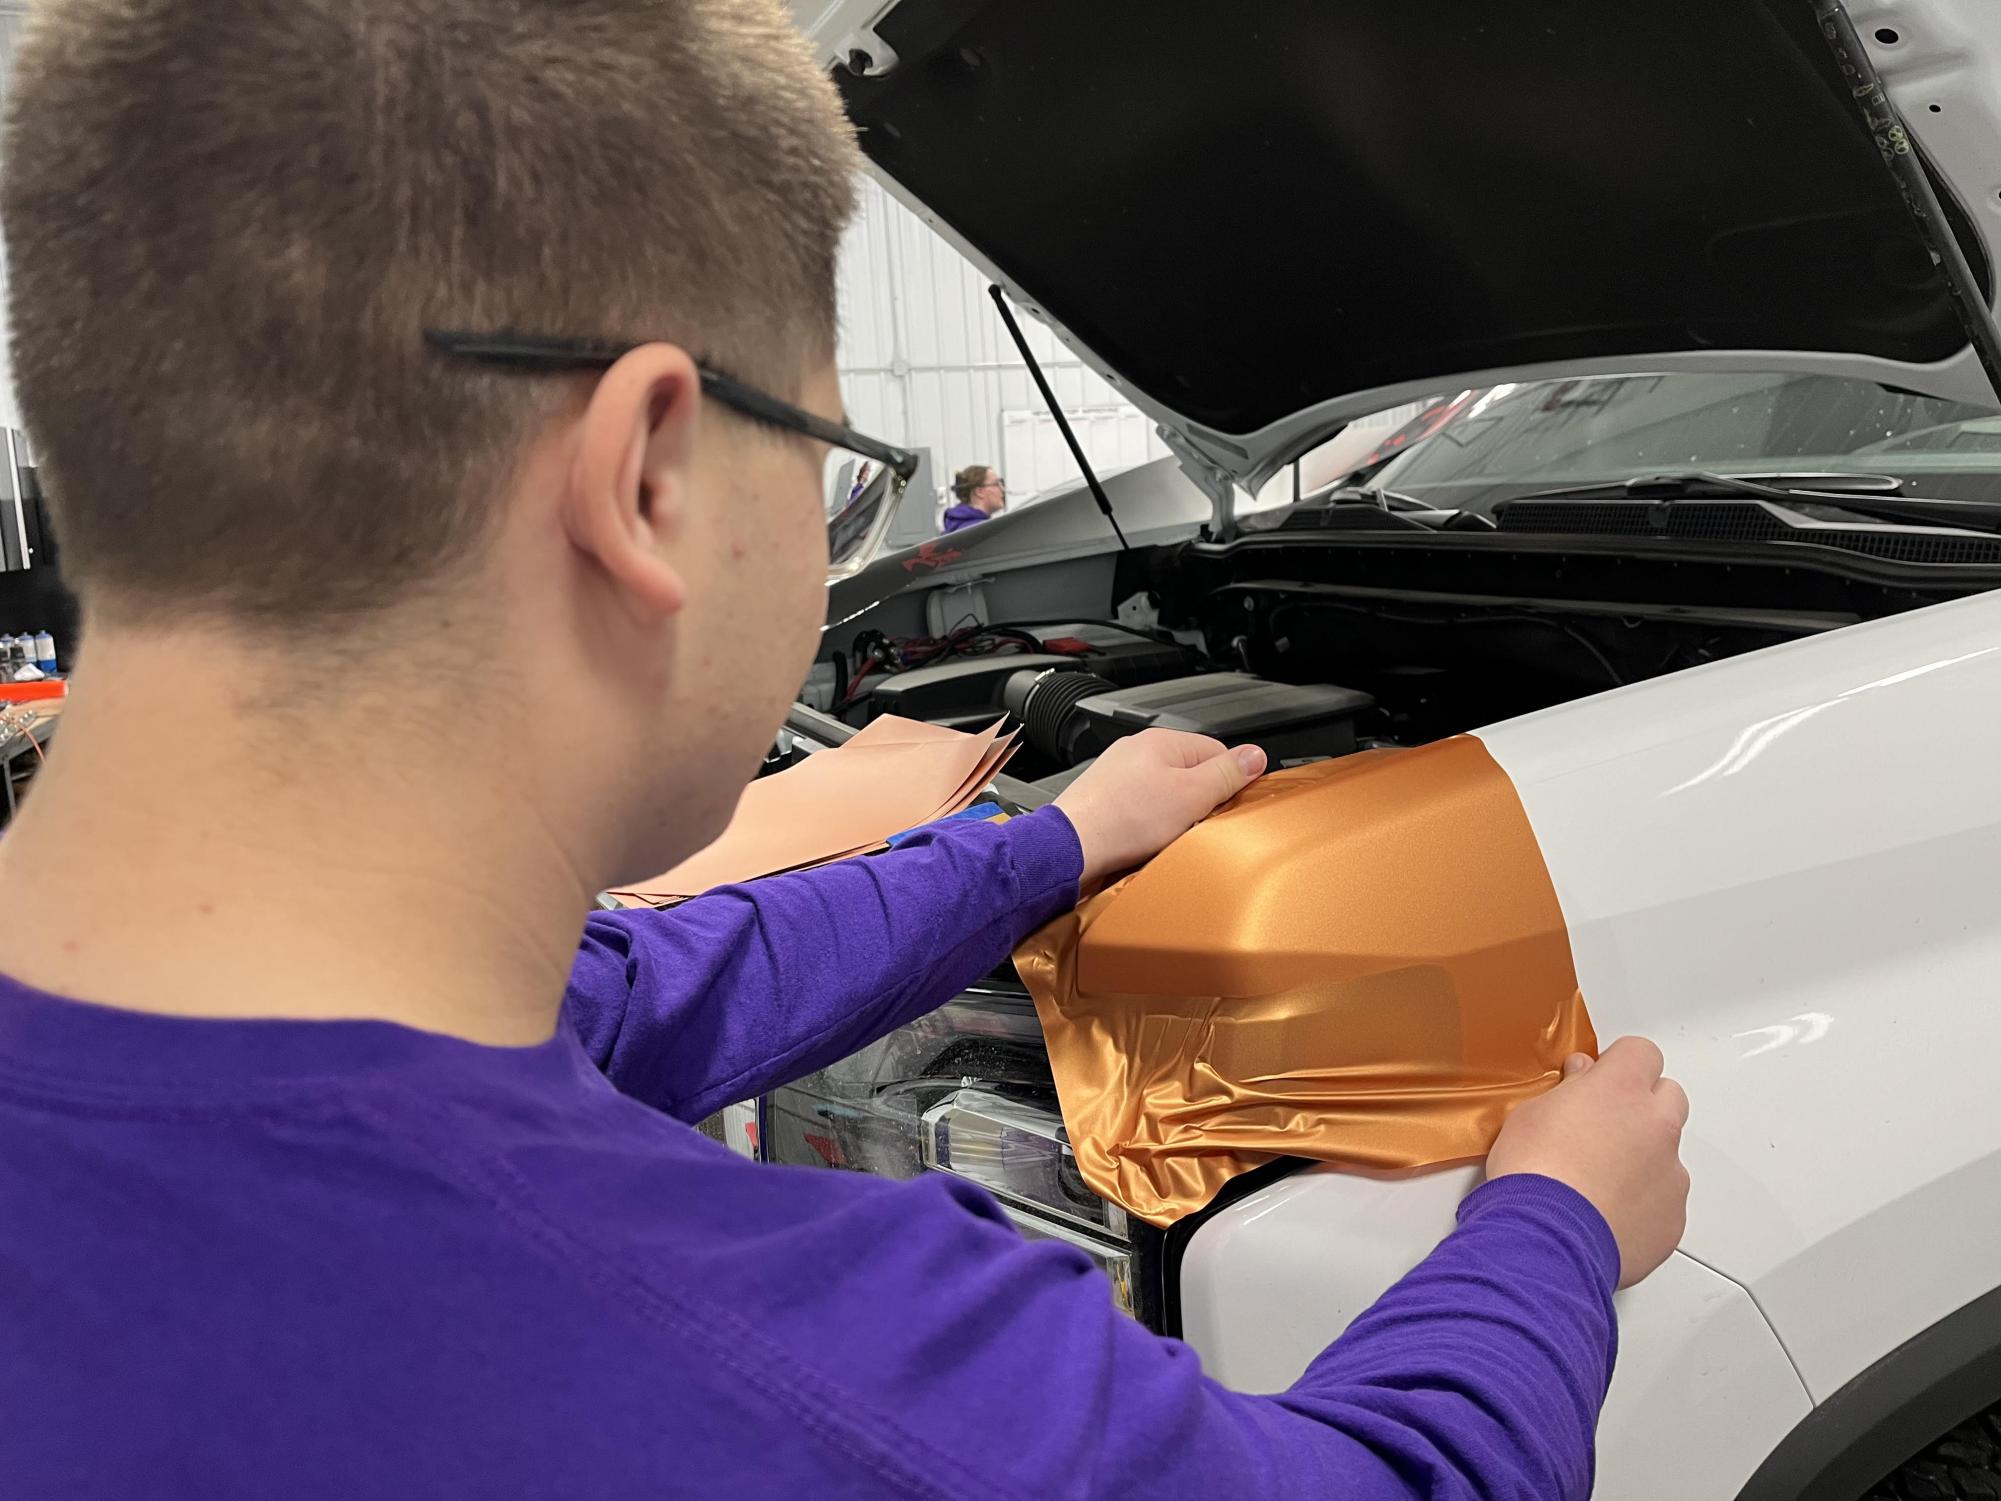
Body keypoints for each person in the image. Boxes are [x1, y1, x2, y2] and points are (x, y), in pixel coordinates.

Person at [0, 3, 1689, 1498]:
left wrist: (1053, 843)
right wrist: (1553, 1226)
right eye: (830, 457)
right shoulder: (835, 1379)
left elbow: (647, 992)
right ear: (648, 479)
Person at [942, 463, 1007, 531]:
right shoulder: (980, 530)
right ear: (979, 492)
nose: (1002, 489)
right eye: (996, 484)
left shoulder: (957, 524)